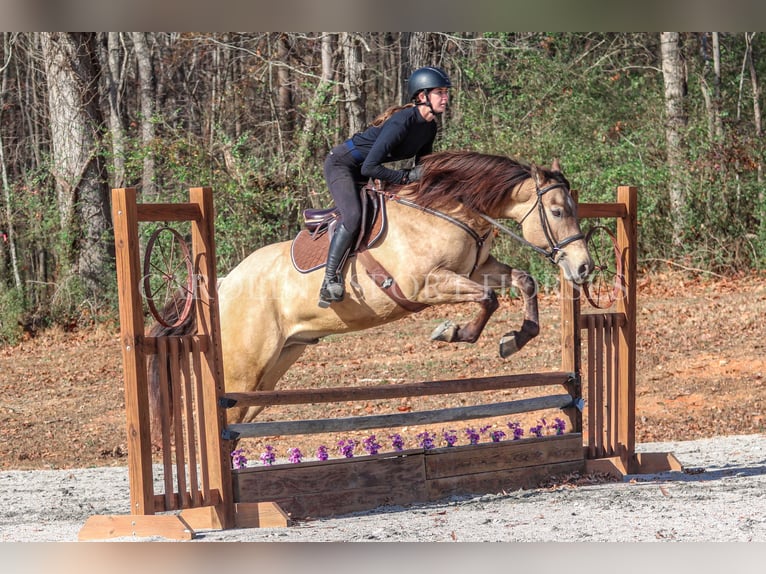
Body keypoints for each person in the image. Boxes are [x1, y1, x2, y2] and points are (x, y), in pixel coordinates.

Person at [318, 65, 452, 308]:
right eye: (440, 92)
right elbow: (370, 167)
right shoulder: (402, 122)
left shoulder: (429, 126)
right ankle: (329, 281)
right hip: (342, 165)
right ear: (422, 97)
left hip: (366, 168)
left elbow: (422, 166)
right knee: (354, 215)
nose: (445, 97)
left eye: (446, 92)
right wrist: (404, 176)